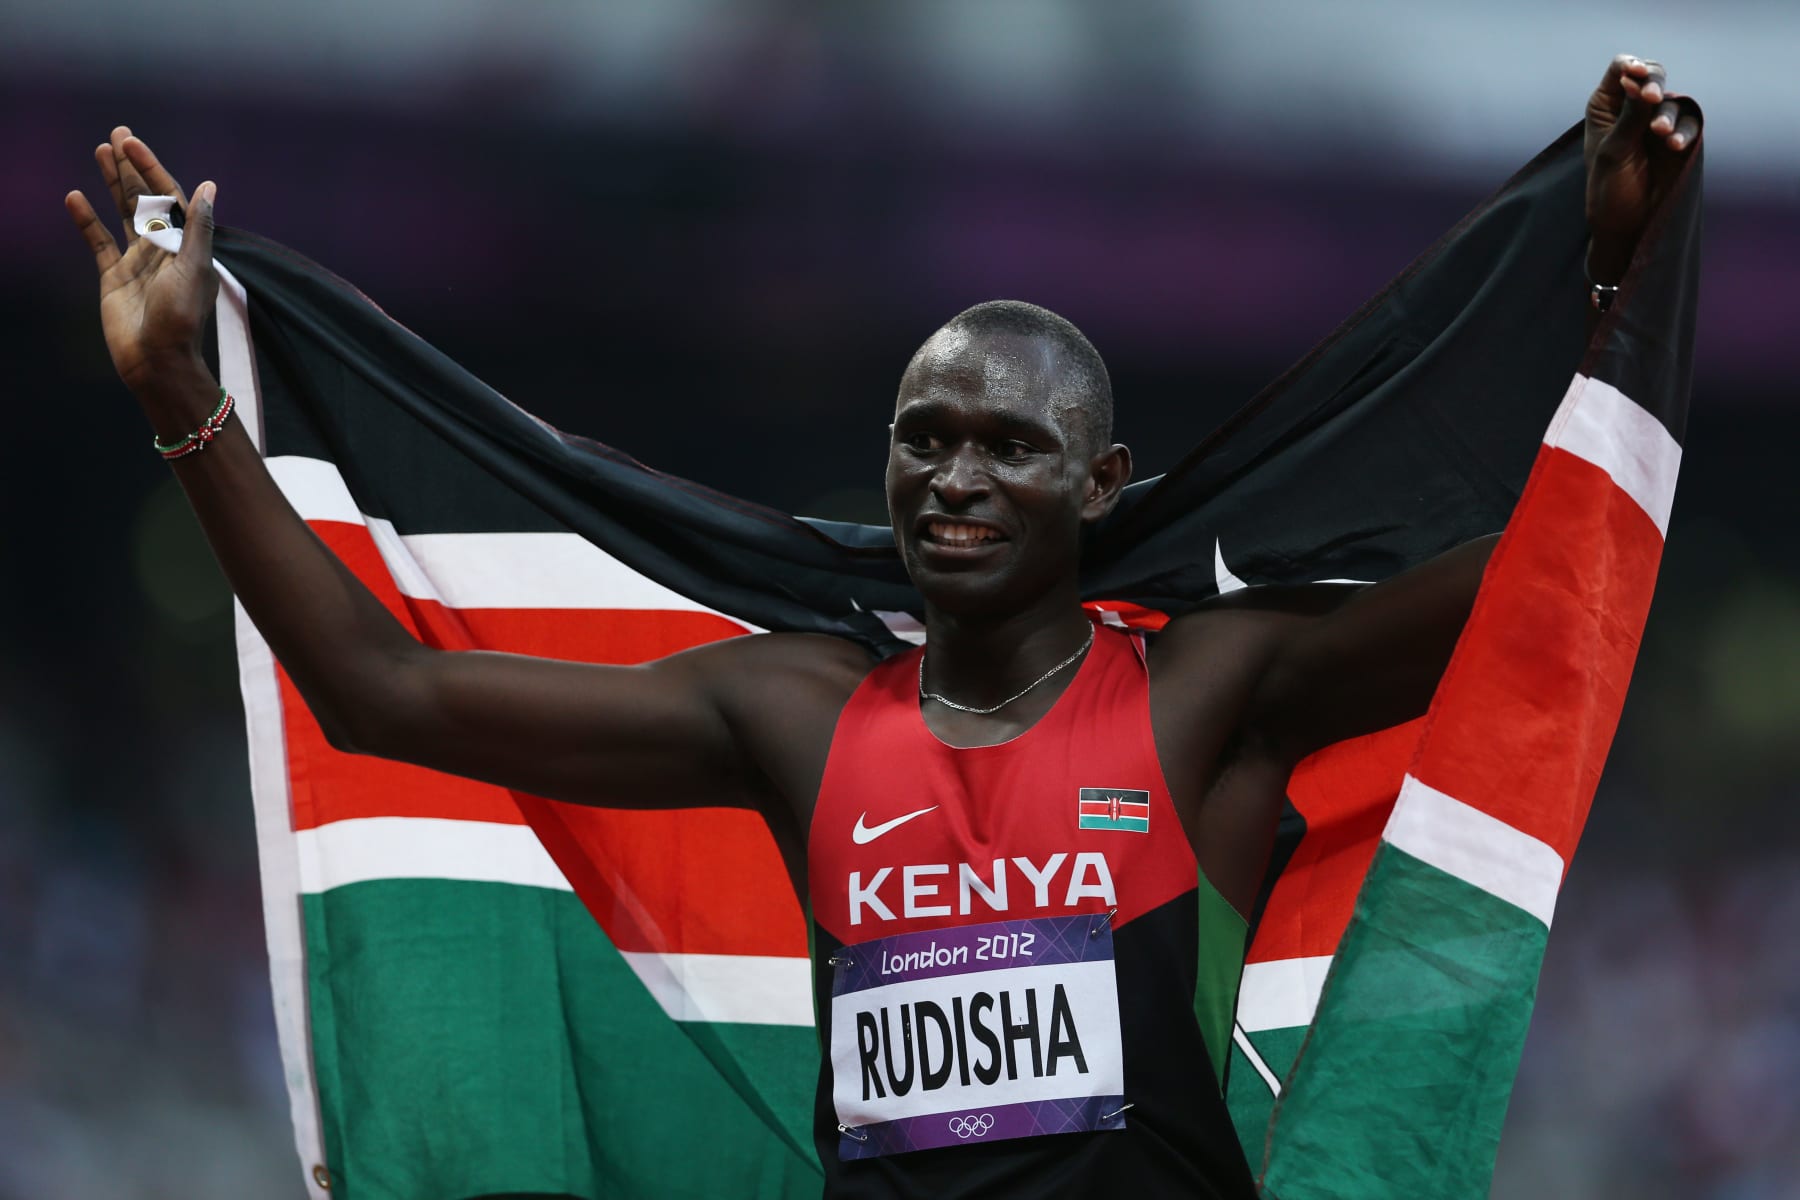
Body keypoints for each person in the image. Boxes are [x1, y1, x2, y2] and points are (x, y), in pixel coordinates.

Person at [67, 53, 1700, 1200]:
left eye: (1010, 447)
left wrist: (1616, 296)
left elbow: (1556, 574)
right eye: (926, 438)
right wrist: (182, 400)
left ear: (1099, 483)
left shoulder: (1208, 691)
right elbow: (382, 692)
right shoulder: (794, 714)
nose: (956, 479)